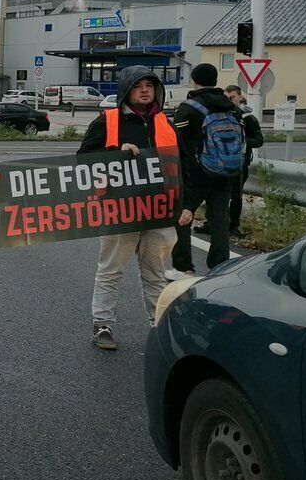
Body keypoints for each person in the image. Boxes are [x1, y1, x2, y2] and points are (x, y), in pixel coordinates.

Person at [78, 66, 186, 351]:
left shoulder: (165, 122)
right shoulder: (107, 121)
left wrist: (186, 205)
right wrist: (116, 154)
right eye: (138, 85)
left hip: (159, 210)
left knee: (155, 271)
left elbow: (185, 165)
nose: (145, 90)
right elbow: (83, 160)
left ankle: (158, 324)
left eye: (150, 85)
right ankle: (103, 324)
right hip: (120, 209)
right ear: (127, 89)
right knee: (111, 270)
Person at [170, 64, 245, 274]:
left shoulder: (189, 107)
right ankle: (219, 267)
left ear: (194, 79)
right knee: (220, 220)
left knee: (183, 216)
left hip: (196, 174)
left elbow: (177, 141)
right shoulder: (231, 107)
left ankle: (183, 267)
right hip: (226, 172)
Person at [193, 85, 263, 239]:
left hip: (239, 163)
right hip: (217, 163)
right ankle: (210, 223)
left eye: (232, 98)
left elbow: (259, 140)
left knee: (236, 196)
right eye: (226, 98)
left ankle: (233, 227)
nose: (229, 101)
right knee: (213, 195)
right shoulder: (219, 116)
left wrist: (241, 141)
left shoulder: (247, 118)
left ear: (239, 97)